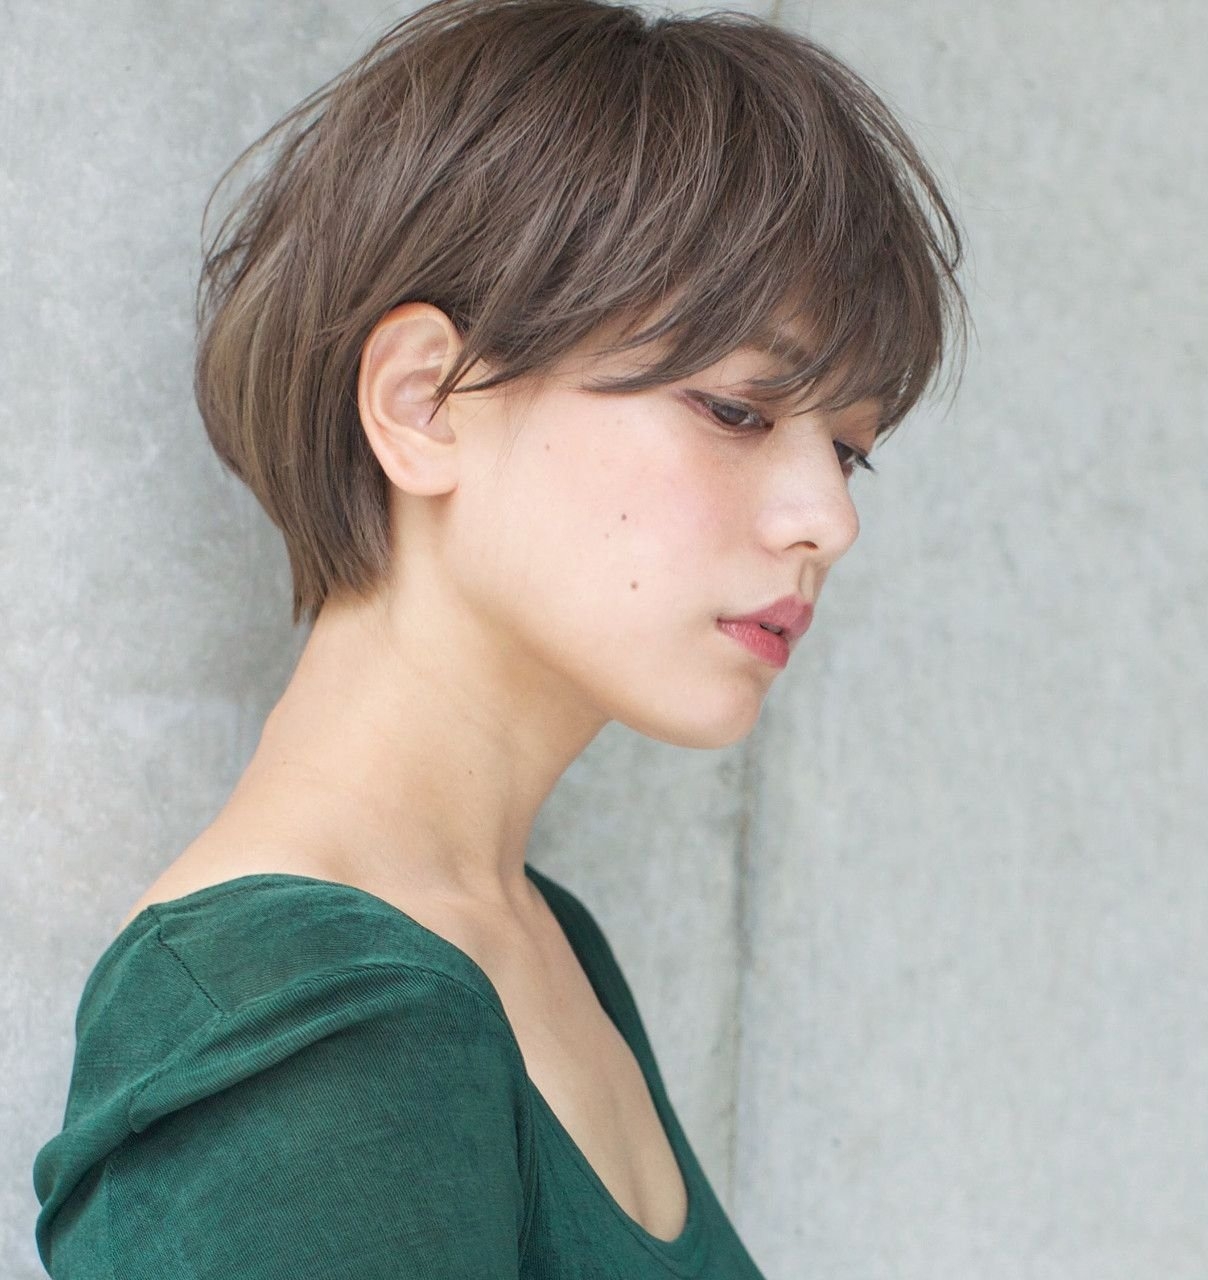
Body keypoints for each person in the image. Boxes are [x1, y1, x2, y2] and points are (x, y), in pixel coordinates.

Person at [31, 0, 969, 1274]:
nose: (829, 519)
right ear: (425, 401)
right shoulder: (301, 1016)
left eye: (848, 449)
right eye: (738, 410)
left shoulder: (536, 941)